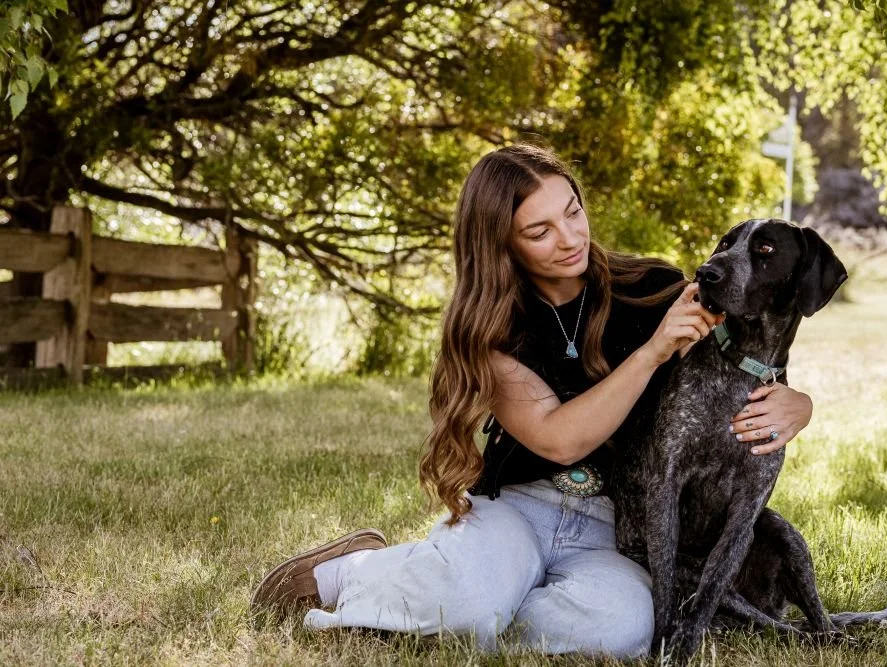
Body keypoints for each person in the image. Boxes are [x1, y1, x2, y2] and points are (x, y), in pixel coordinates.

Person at [249, 143, 814, 657]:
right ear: (502, 243)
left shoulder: (651, 288)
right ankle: (352, 572)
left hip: (611, 528)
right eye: (539, 231)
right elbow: (559, 439)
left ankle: (470, 601)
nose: (569, 239)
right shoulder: (491, 329)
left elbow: (746, 353)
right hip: (517, 510)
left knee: (620, 630)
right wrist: (651, 354)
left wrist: (799, 402)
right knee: (469, 603)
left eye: (573, 212)